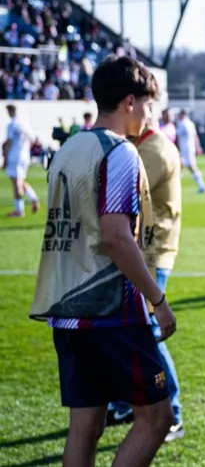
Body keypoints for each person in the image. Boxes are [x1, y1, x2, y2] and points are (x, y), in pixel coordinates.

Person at [30, 55, 177, 467]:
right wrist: (158, 300)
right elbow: (115, 236)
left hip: (67, 309)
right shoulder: (120, 152)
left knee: (86, 425)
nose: (150, 114)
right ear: (129, 102)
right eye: (148, 104)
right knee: (157, 418)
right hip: (108, 310)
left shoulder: (68, 149)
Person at [107, 105, 186, 442]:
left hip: (153, 252)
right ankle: (123, 403)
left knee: (149, 329)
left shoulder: (153, 149)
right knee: (126, 328)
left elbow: (128, 194)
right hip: (141, 250)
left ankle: (174, 413)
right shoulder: (139, 145)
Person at [3, 104, 39, 217]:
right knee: (21, 181)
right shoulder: (24, 123)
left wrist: (5, 156)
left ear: (10, 111)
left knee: (16, 184)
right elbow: (33, 139)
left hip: (15, 156)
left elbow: (9, 142)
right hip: (25, 156)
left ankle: (19, 210)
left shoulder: (12, 125)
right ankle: (33, 198)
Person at [174, 109, 205, 194]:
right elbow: (195, 136)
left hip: (185, 149)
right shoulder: (190, 123)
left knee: (190, 167)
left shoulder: (182, 124)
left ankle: (202, 186)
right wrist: (198, 147)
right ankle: (176, 187)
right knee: (180, 167)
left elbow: (176, 135)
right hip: (189, 148)